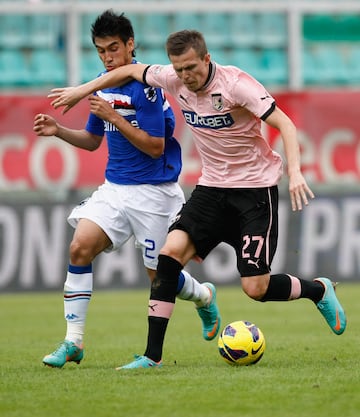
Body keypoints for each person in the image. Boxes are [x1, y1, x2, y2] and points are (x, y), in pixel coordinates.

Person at [49, 29, 347, 370]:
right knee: (168, 256)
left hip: (254, 192)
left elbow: (286, 124)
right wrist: (81, 91)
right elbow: (131, 70)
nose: (185, 76)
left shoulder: (237, 85)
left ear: (206, 59)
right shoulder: (173, 79)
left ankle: (319, 291)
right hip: (211, 189)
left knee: (256, 288)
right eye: (178, 69)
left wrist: (295, 172)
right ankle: (151, 356)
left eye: (191, 67)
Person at [33, 16, 221, 369]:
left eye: (114, 49)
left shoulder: (147, 87)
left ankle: (204, 296)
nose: (107, 57)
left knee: (160, 278)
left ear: (130, 44)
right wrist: (59, 130)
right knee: (79, 247)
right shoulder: (103, 87)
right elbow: (92, 141)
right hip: (115, 190)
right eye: (101, 51)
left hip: (155, 194)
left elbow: (155, 147)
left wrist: (115, 117)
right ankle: (73, 342)